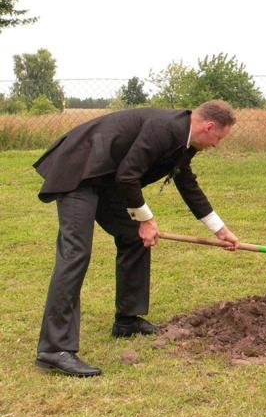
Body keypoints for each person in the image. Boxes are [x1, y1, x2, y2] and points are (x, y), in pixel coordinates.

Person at [33, 100, 241, 376]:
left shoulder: (185, 139)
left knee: (134, 238)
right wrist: (146, 219)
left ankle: (127, 320)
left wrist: (219, 229)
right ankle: (54, 349)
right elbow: (128, 175)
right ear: (209, 126)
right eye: (218, 138)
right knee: (76, 253)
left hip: (106, 180)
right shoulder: (165, 129)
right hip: (80, 172)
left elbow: (186, 182)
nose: (217, 145)